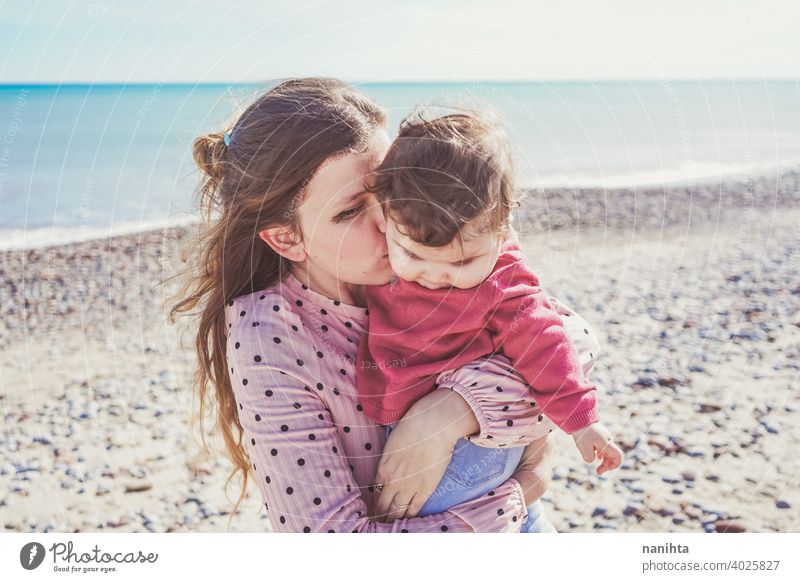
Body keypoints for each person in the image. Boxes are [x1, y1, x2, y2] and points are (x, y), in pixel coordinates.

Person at [168, 77, 600, 532]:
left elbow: (577, 338)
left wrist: (451, 413)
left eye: (388, 192)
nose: (390, 225)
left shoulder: (425, 249)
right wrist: (520, 492)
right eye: (350, 211)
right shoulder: (271, 337)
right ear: (286, 237)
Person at [358, 110, 624, 524]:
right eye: (411, 254)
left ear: (503, 233)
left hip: (473, 449)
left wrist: (582, 423)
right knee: (528, 524)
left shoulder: (501, 281)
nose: (432, 275)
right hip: (438, 437)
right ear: (384, 215)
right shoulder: (393, 233)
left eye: (461, 262)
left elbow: (546, 342)